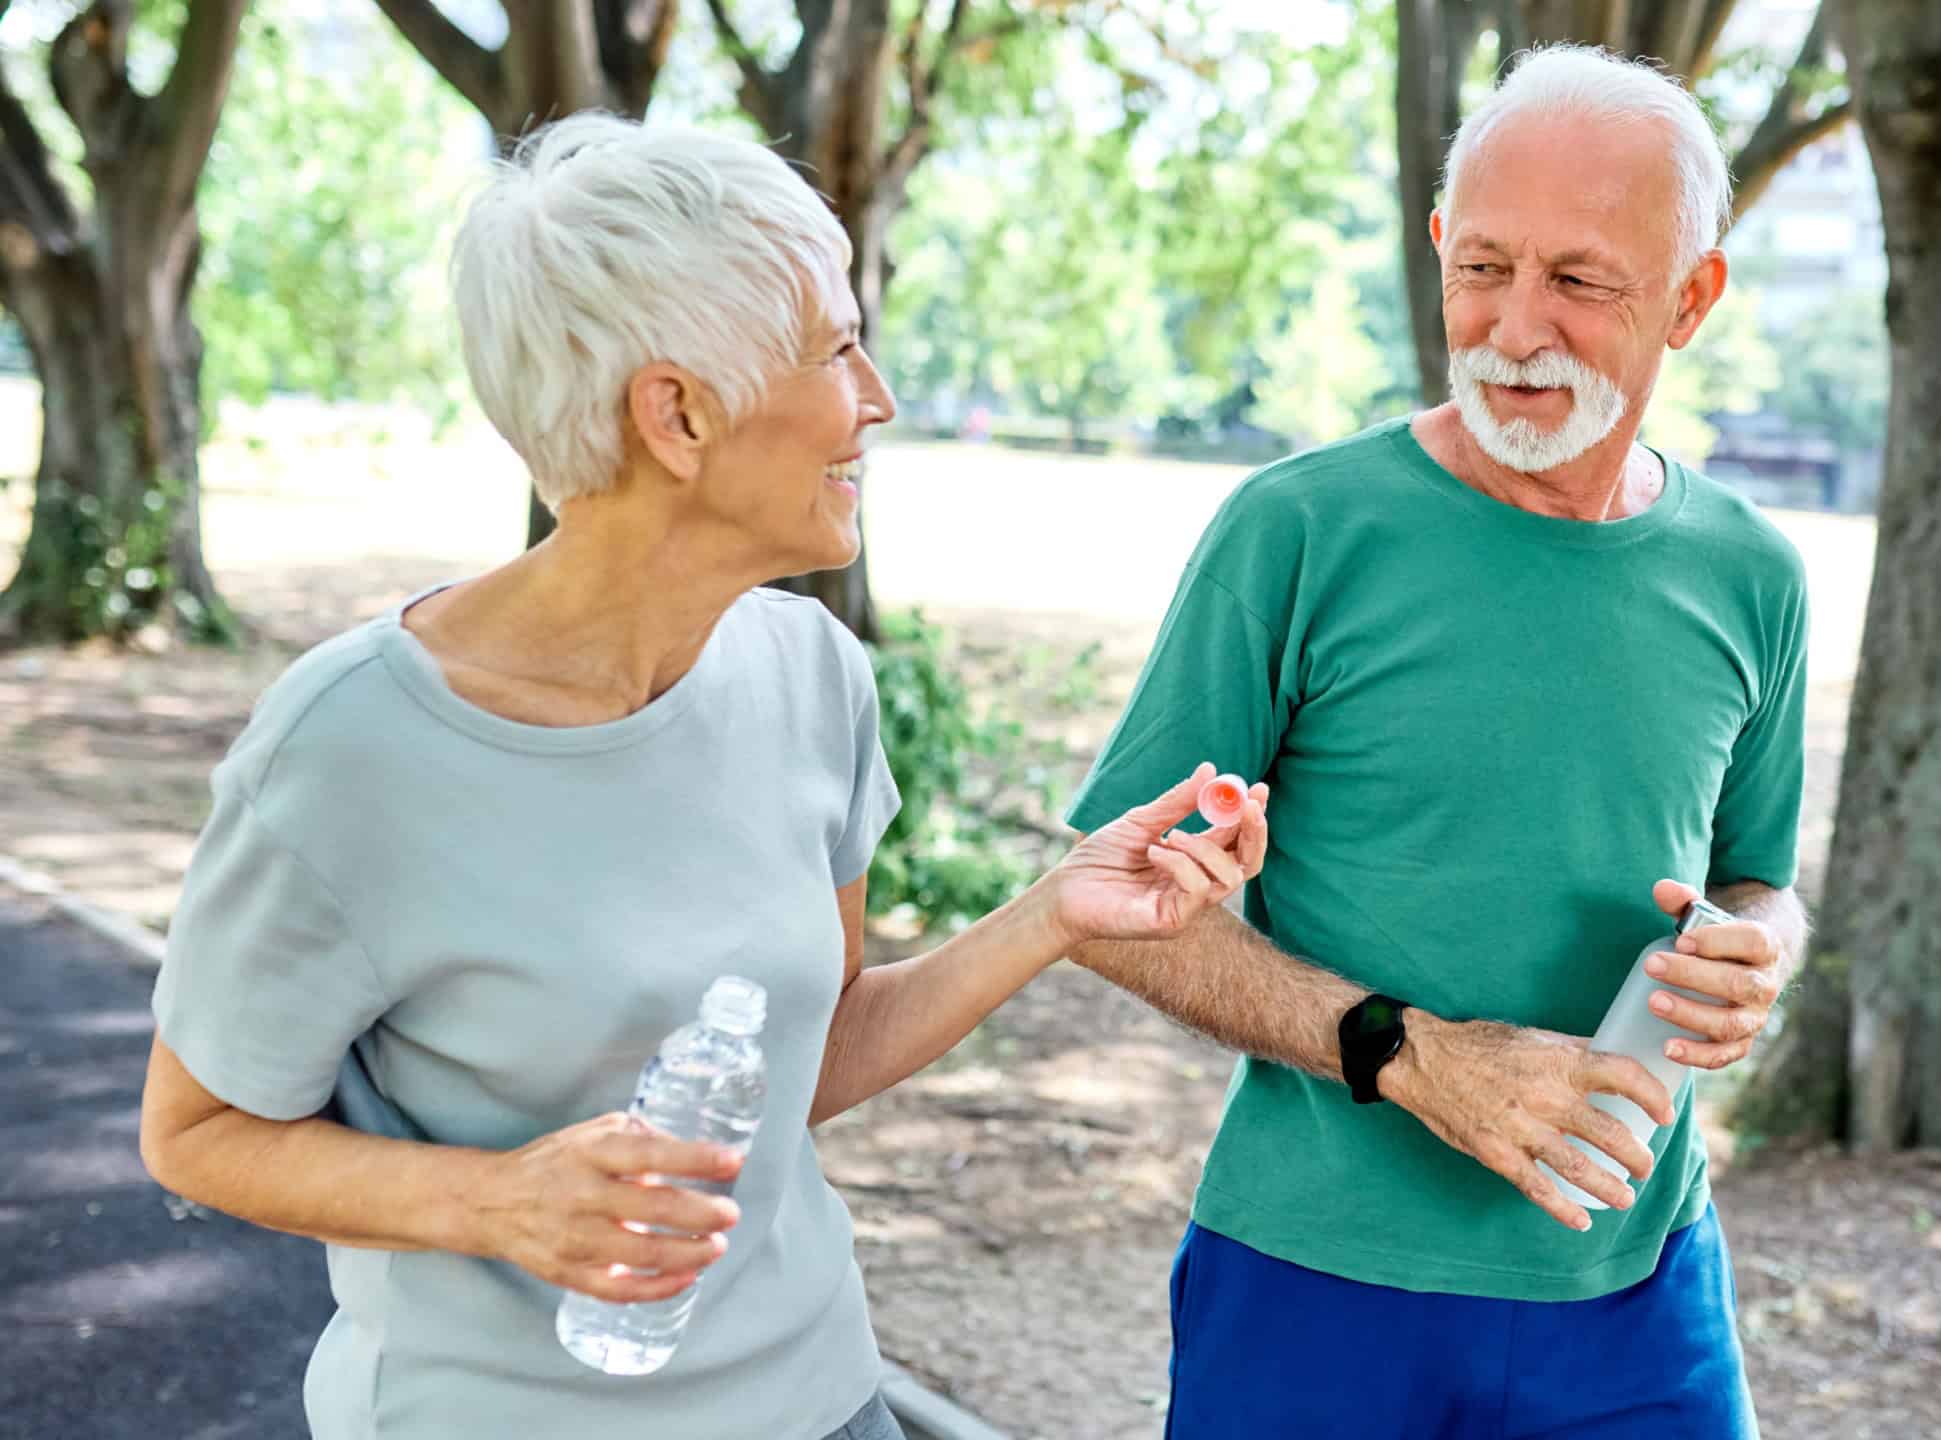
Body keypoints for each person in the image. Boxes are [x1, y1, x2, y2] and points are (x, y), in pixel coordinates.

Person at [135, 115, 1268, 1440]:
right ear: (676, 413)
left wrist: (1055, 913)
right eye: (836, 348)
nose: (879, 397)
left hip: (825, 1399)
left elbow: (807, 1054)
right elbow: (196, 1133)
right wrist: (494, 1201)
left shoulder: (810, 673)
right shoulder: (344, 751)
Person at [1062, 46, 1809, 1439]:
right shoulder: (1296, 532)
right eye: (1482, 269)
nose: (1516, 332)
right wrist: (1405, 1054)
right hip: (1314, 1286)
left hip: (1638, 1290)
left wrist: (1762, 950)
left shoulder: (1751, 573)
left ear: (1694, 296)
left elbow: (1760, 878)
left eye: (1580, 282)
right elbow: (1108, 909)